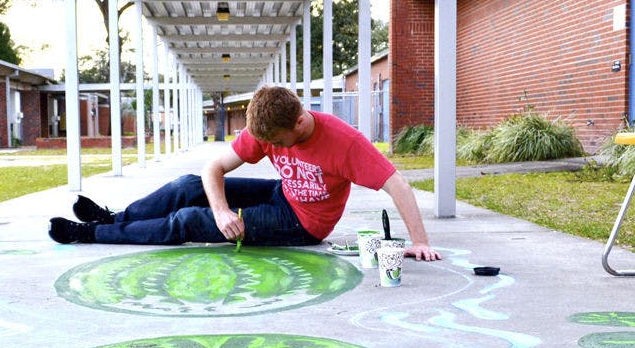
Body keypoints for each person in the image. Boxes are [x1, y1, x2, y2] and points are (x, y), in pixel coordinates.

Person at [48, 86, 441, 261]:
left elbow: (397, 184)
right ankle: (115, 218)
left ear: (300, 121)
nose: (273, 148)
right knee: (189, 187)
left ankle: (90, 233)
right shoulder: (267, 127)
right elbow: (213, 167)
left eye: (279, 143)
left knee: (187, 221)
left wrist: (419, 241)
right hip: (282, 195)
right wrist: (222, 211)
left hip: (304, 225)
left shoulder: (345, 143)